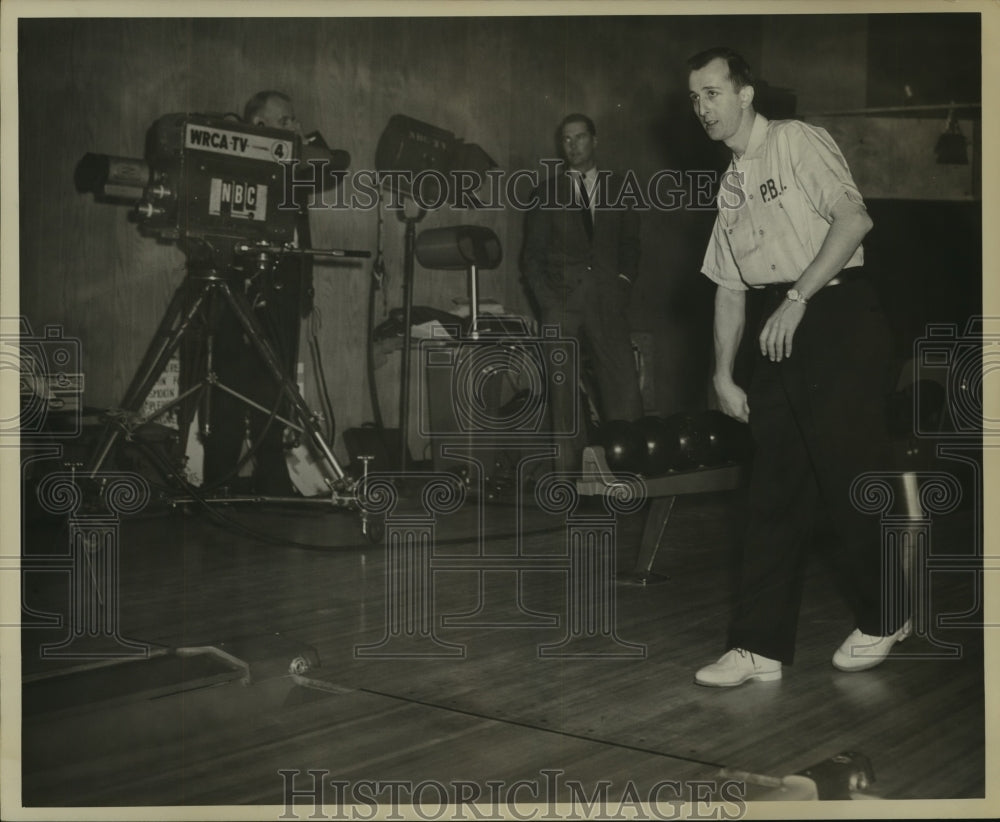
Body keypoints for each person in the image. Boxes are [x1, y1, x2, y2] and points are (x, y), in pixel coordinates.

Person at [685, 47, 906, 687]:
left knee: (847, 472)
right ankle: (758, 646)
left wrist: (798, 298)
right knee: (773, 489)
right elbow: (727, 287)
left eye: (713, 93)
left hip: (835, 315)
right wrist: (723, 375)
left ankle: (888, 614)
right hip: (777, 322)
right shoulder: (728, 183)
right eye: (694, 98)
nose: (703, 108)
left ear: (746, 93)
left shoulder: (797, 141)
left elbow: (854, 219)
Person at [198, 91, 314, 495]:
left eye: (295, 119)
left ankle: (273, 482)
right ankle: (217, 485)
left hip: (280, 297)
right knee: (227, 388)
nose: (295, 127)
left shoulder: (293, 167)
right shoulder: (233, 164)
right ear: (259, 126)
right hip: (236, 293)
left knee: (275, 390)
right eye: (285, 120)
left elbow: (327, 176)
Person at [520, 113, 644, 472]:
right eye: (566, 139)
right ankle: (570, 481)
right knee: (563, 397)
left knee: (623, 387)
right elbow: (532, 258)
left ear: (595, 140)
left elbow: (631, 245)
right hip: (561, 306)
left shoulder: (620, 187)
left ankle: (632, 471)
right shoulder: (546, 192)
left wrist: (622, 283)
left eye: (579, 137)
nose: (572, 146)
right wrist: (548, 303)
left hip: (607, 300)